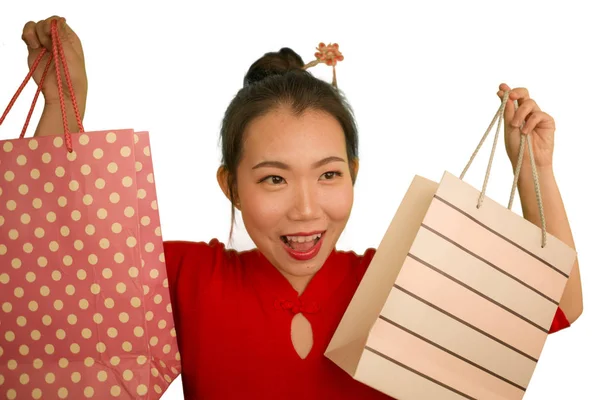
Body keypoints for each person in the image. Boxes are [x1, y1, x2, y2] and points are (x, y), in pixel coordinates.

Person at [20, 15, 583, 400]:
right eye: (273, 179)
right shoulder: (185, 277)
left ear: (353, 176)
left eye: (329, 175)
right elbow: (56, 277)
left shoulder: (395, 281)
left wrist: (533, 169)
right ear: (230, 187)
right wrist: (66, 103)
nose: (307, 209)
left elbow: (557, 305)